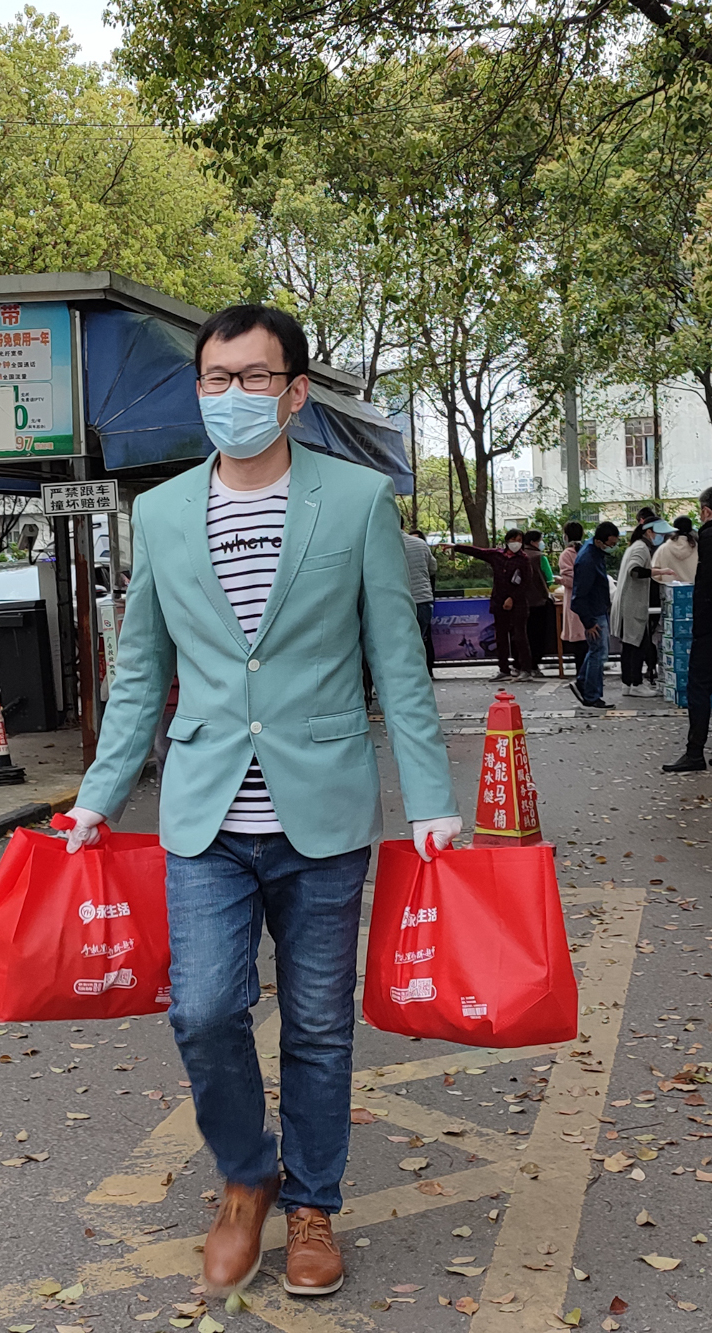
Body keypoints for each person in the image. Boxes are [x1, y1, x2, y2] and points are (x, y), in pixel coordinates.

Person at [60, 305, 461, 1297]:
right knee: (203, 1011)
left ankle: (313, 1203)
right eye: (215, 377)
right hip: (204, 815)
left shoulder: (356, 501)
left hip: (322, 811)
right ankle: (246, 1178)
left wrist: (430, 798)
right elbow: (142, 669)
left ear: (293, 393)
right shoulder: (161, 513)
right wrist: (99, 794)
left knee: (318, 1026)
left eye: (252, 378)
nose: (231, 395)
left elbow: (396, 661)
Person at [663, 487, 712, 772]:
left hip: (708, 628)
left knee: (699, 687)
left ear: (706, 511)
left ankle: (695, 752)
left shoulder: (707, 537)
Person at [441, 530, 531, 682]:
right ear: (507, 541)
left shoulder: (523, 560)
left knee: (520, 636)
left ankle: (525, 669)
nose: (516, 543)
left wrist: (512, 598)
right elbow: (478, 552)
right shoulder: (497, 555)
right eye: (513, 540)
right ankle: (504, 669)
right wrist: (456, 547)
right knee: (500, 637)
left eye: (519, 540)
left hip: (518, 603)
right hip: (498, 601)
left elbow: (526, 582)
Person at [611, 519, 676, 697]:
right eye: (660, 534)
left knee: (630, 646)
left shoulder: (635, 546)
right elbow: (635, 570)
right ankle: (636, 684)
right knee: (637, 646)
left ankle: (628, 684)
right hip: (632, 605)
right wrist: (660, 572)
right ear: (649, 532)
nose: (661, 537)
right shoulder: (641, 548)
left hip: (628, 604)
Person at [570, 521, 620, 708]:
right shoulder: (588, 560)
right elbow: (579, 595)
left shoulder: (593, 552)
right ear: (600, 541)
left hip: (596, 609)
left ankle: (583, 683)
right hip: (594, 612)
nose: (612, 547)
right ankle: (591, 694)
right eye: (611, 544)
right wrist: (589, 622)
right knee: (598, 653)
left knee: (597, 652)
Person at [400, 518, 437, 676]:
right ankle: (420, 676)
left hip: (400, 602)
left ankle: (405, 677)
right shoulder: (420, 544)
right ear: (403, 525)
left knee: (400, 644)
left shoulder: (384, 544)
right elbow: (433, 567)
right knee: (418, 641)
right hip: (423, 599)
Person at [523, 530, 554, 678]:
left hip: (521, 603)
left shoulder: (519, 556)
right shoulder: (540, 557)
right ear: (533, 542)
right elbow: (549, 578)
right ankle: (534, 665)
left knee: (524, 635)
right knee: (538, 636)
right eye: (540, 540)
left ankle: (522, 665)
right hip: (539, 602)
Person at [558, 521, 587, 673]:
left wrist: (561, 580)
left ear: (566, 536)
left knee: (579, 643)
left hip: (575, 601)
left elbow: (570, 579)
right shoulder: (587, 551)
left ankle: (581, 676)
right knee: (589, 642)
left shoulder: (567, 554)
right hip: (590, 601)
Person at [652, 515, 699, 585]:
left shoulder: (663, 549)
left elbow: (655, 574)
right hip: (693, 589)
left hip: (669, 589)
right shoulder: (698, 549)